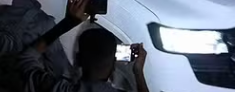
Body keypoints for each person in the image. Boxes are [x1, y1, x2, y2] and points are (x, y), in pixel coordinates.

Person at [21, 25, 150, 92]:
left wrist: (67, 23)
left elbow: (27, 58)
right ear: (113, 68)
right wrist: (138, 72)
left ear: (78, 60)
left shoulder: (56, 88)